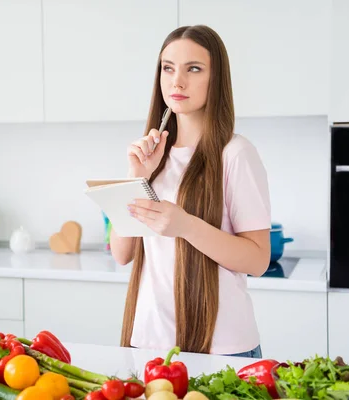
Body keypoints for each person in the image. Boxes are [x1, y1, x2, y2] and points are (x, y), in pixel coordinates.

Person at [110, 25, 271, 358]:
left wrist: (185, 226)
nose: (176, 81)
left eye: (193, 69)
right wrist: (136, 177)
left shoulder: (235, 153)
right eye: (167, 68)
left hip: (221, 347)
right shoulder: (152, 156)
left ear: (216, 78)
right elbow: (122, 253)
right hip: (148, 344)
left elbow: (258, 260)